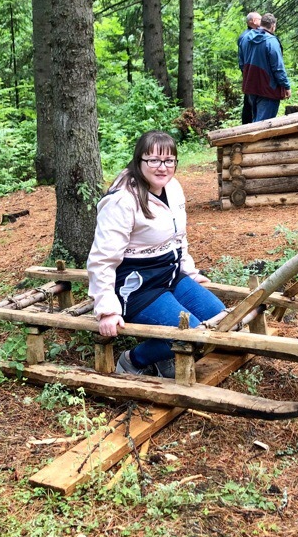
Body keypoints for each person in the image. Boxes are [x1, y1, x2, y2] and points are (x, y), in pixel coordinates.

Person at [88, 130, 227, 378]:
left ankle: (163, 360)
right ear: (139, 161)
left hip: (170, 275)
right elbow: (102, 259)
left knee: (219, 318)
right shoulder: (123, 200)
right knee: (192, 335)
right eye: (153, 160)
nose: (162, 167)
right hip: (137, 286)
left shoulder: (172, 188)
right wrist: (107, 309)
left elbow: (178, 237)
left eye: (169, 160)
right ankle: (134, 360)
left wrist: (190, 272)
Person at [238, 12, 291, 122]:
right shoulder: (271, 42)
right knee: (264, 125)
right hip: (268, 89)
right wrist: (286, 86)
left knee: (255, 121)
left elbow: (242, 63)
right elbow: (278, 68)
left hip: (250, 86)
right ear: (272, 26)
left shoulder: (245, 38)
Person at [237, 12, 262, 124]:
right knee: (250, 102)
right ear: (252, 21)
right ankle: (248, 126)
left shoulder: (249, 34)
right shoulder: (247, 36)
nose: (261, 21)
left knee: (249, 101)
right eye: (259, 19)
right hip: (250, 72)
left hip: (250, 72)